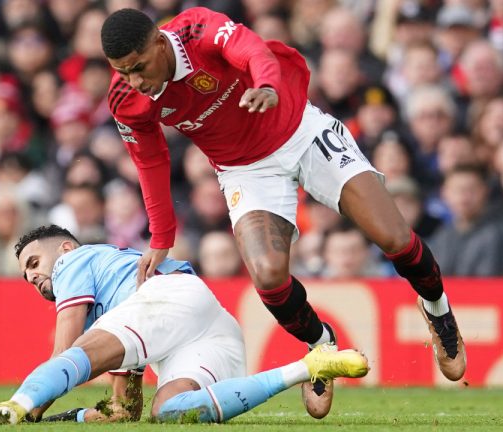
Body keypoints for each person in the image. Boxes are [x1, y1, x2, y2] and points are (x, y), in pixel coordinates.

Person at [100, 7, 466, 419]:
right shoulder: (126, 97)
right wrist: (162, 237)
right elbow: (150, 160)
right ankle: (321, 347)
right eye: (122, 71)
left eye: (138, 67)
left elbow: (253, 50)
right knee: (269, 278)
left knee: (395, 238)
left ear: (158, 42)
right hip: (245, 170)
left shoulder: (196, 29)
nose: (134, 81)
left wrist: (268, 85)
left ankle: (437, 310)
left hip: (300, 130)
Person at [0, 225, 369, 425]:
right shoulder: (115, 315)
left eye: (35, 263)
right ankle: (306, 367)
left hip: (169, 300)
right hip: (210, 326)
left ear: (62, 248)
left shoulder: (74, 261)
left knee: (74, 358)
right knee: (169, 413)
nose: (35, 278)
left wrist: (24, 410)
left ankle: (12, 408)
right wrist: (62, 418)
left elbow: (66, 357)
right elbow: (124, 413)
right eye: (27, 279)